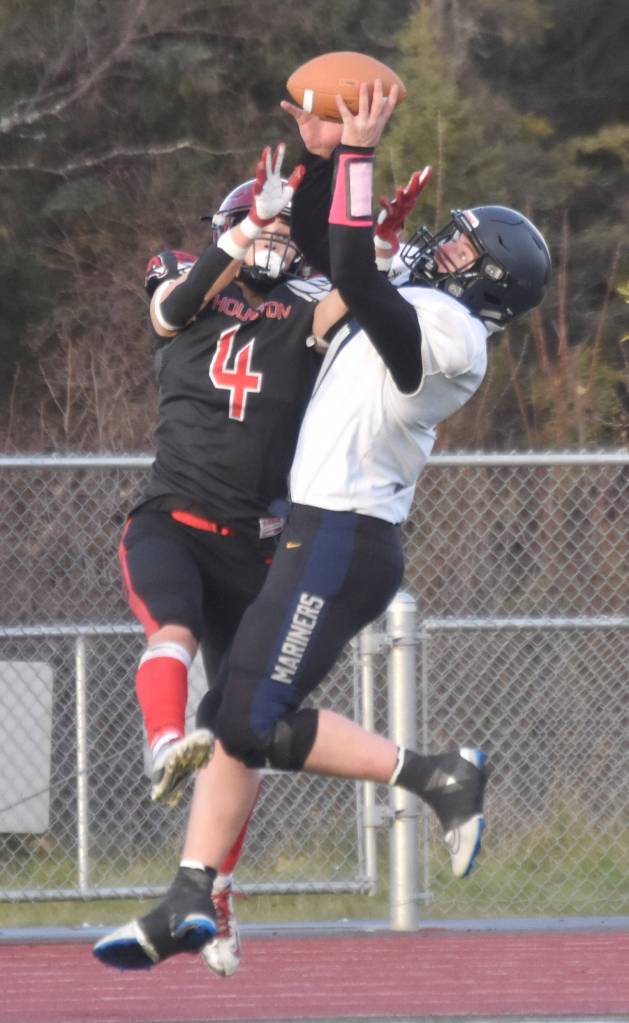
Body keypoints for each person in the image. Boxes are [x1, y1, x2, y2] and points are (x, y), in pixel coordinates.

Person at [94, 81, 551, 972]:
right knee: (235, 714)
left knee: (248, 715)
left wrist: (354, 156)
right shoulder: (412, 302)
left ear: (482, 275)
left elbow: (344, 269)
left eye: (458, 244)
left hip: (343, 538)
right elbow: (319, 258)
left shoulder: (453, 332)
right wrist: (313, 151)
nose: (439, 244)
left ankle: (439, 775)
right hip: (310, 528)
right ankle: (194, 893)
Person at [111, 142, 347, 972]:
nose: (275, 240)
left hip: (254, 545)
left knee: (247, 724)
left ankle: (212, 883)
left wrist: (366, 227)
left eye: (285, 228)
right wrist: (249, 225)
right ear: (231, 226)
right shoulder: (187, 278)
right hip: (171, 519)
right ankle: (164, 740)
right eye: (261, 225)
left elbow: (356, 299)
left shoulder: (305, 304)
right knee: (169, 624)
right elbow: (170, 310)